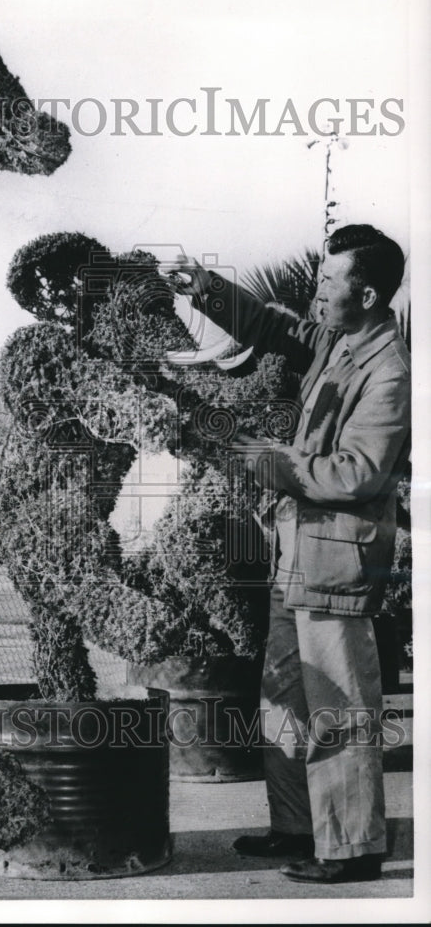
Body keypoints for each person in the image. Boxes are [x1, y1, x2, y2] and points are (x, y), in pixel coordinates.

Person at [167, 224, 410, 884]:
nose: (319, 291)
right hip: (297, 552)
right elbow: (274, 327)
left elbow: (358, 474)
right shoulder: (340, 338)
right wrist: (206, 290)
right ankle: (298, 828)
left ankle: (353, 847)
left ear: (365, 292)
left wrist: (274, 463)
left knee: (338, 706)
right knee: (283, 698)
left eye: (330, 281)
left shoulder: (387, 368)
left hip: (336, 561)